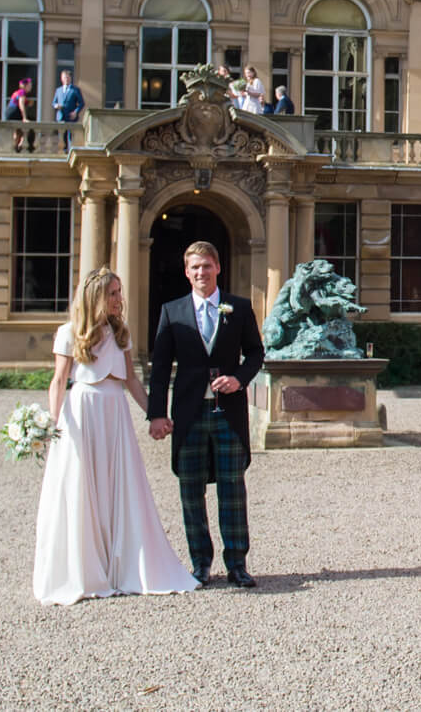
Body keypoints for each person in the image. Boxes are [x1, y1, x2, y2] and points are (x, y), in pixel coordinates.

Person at [32, 270, 200, 605]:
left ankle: (122, 566)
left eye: (119, 292)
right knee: (83, 487)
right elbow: (58, 380)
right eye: (112, 293)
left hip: (115, 412)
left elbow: (132, 382)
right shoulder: (69, 333)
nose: (118, 299)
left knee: (119, 486)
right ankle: (85, 571)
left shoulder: (121, 333)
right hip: (83, 411)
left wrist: (153, 414)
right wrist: (52, 425)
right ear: (95, 297)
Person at [148, 241, 265, 588]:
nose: (201, 272)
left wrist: (239, 379)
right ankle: (200, 563)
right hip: (188, 414)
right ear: (187, 272)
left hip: (228, 413)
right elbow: (158, 370)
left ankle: (237, 564)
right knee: (191, 490)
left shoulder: (239, 308)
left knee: (232, 488)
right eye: (195, 267)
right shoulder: (172, 311)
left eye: (207, 266)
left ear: (218, 268)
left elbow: (256, 354)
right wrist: (156, 414)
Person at [5, 76, 35, 152]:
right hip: (14, 111)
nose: (31, 87)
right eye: (30, 86)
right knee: (24, 129)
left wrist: (28, 102)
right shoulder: (22, 92)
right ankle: (19, 146)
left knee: (18, 130)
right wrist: (24, 118)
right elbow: (21, 105)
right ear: (25, 86)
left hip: (9, 111)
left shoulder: (17, 92)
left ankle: (17, 146)